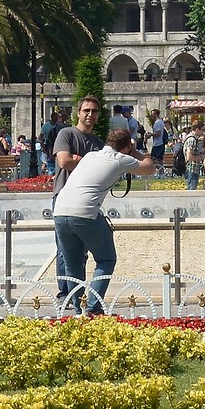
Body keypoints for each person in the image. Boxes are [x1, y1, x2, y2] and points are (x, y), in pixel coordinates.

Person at [53, 127, 156, 313]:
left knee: (72, 264)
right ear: (125, 147)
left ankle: (79, 311)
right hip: (85, 212)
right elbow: (150, 168)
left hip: (60, 210)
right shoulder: (120, 158)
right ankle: (93, 307)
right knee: (106, 259)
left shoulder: (91, 156)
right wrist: (136, 152)